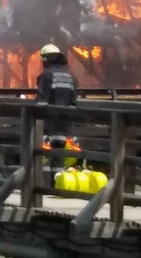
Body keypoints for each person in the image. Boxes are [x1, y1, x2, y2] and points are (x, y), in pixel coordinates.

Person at [36, 44, 79, 182]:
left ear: (47, 59)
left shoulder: (47, 75)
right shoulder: (69, 76)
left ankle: (39, 189)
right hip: (64, 125)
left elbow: (41, 102)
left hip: (49, 124)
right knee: (58, 158)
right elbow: (73, 103)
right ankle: (57, 186)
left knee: (40, 157)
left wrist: (35, 119)